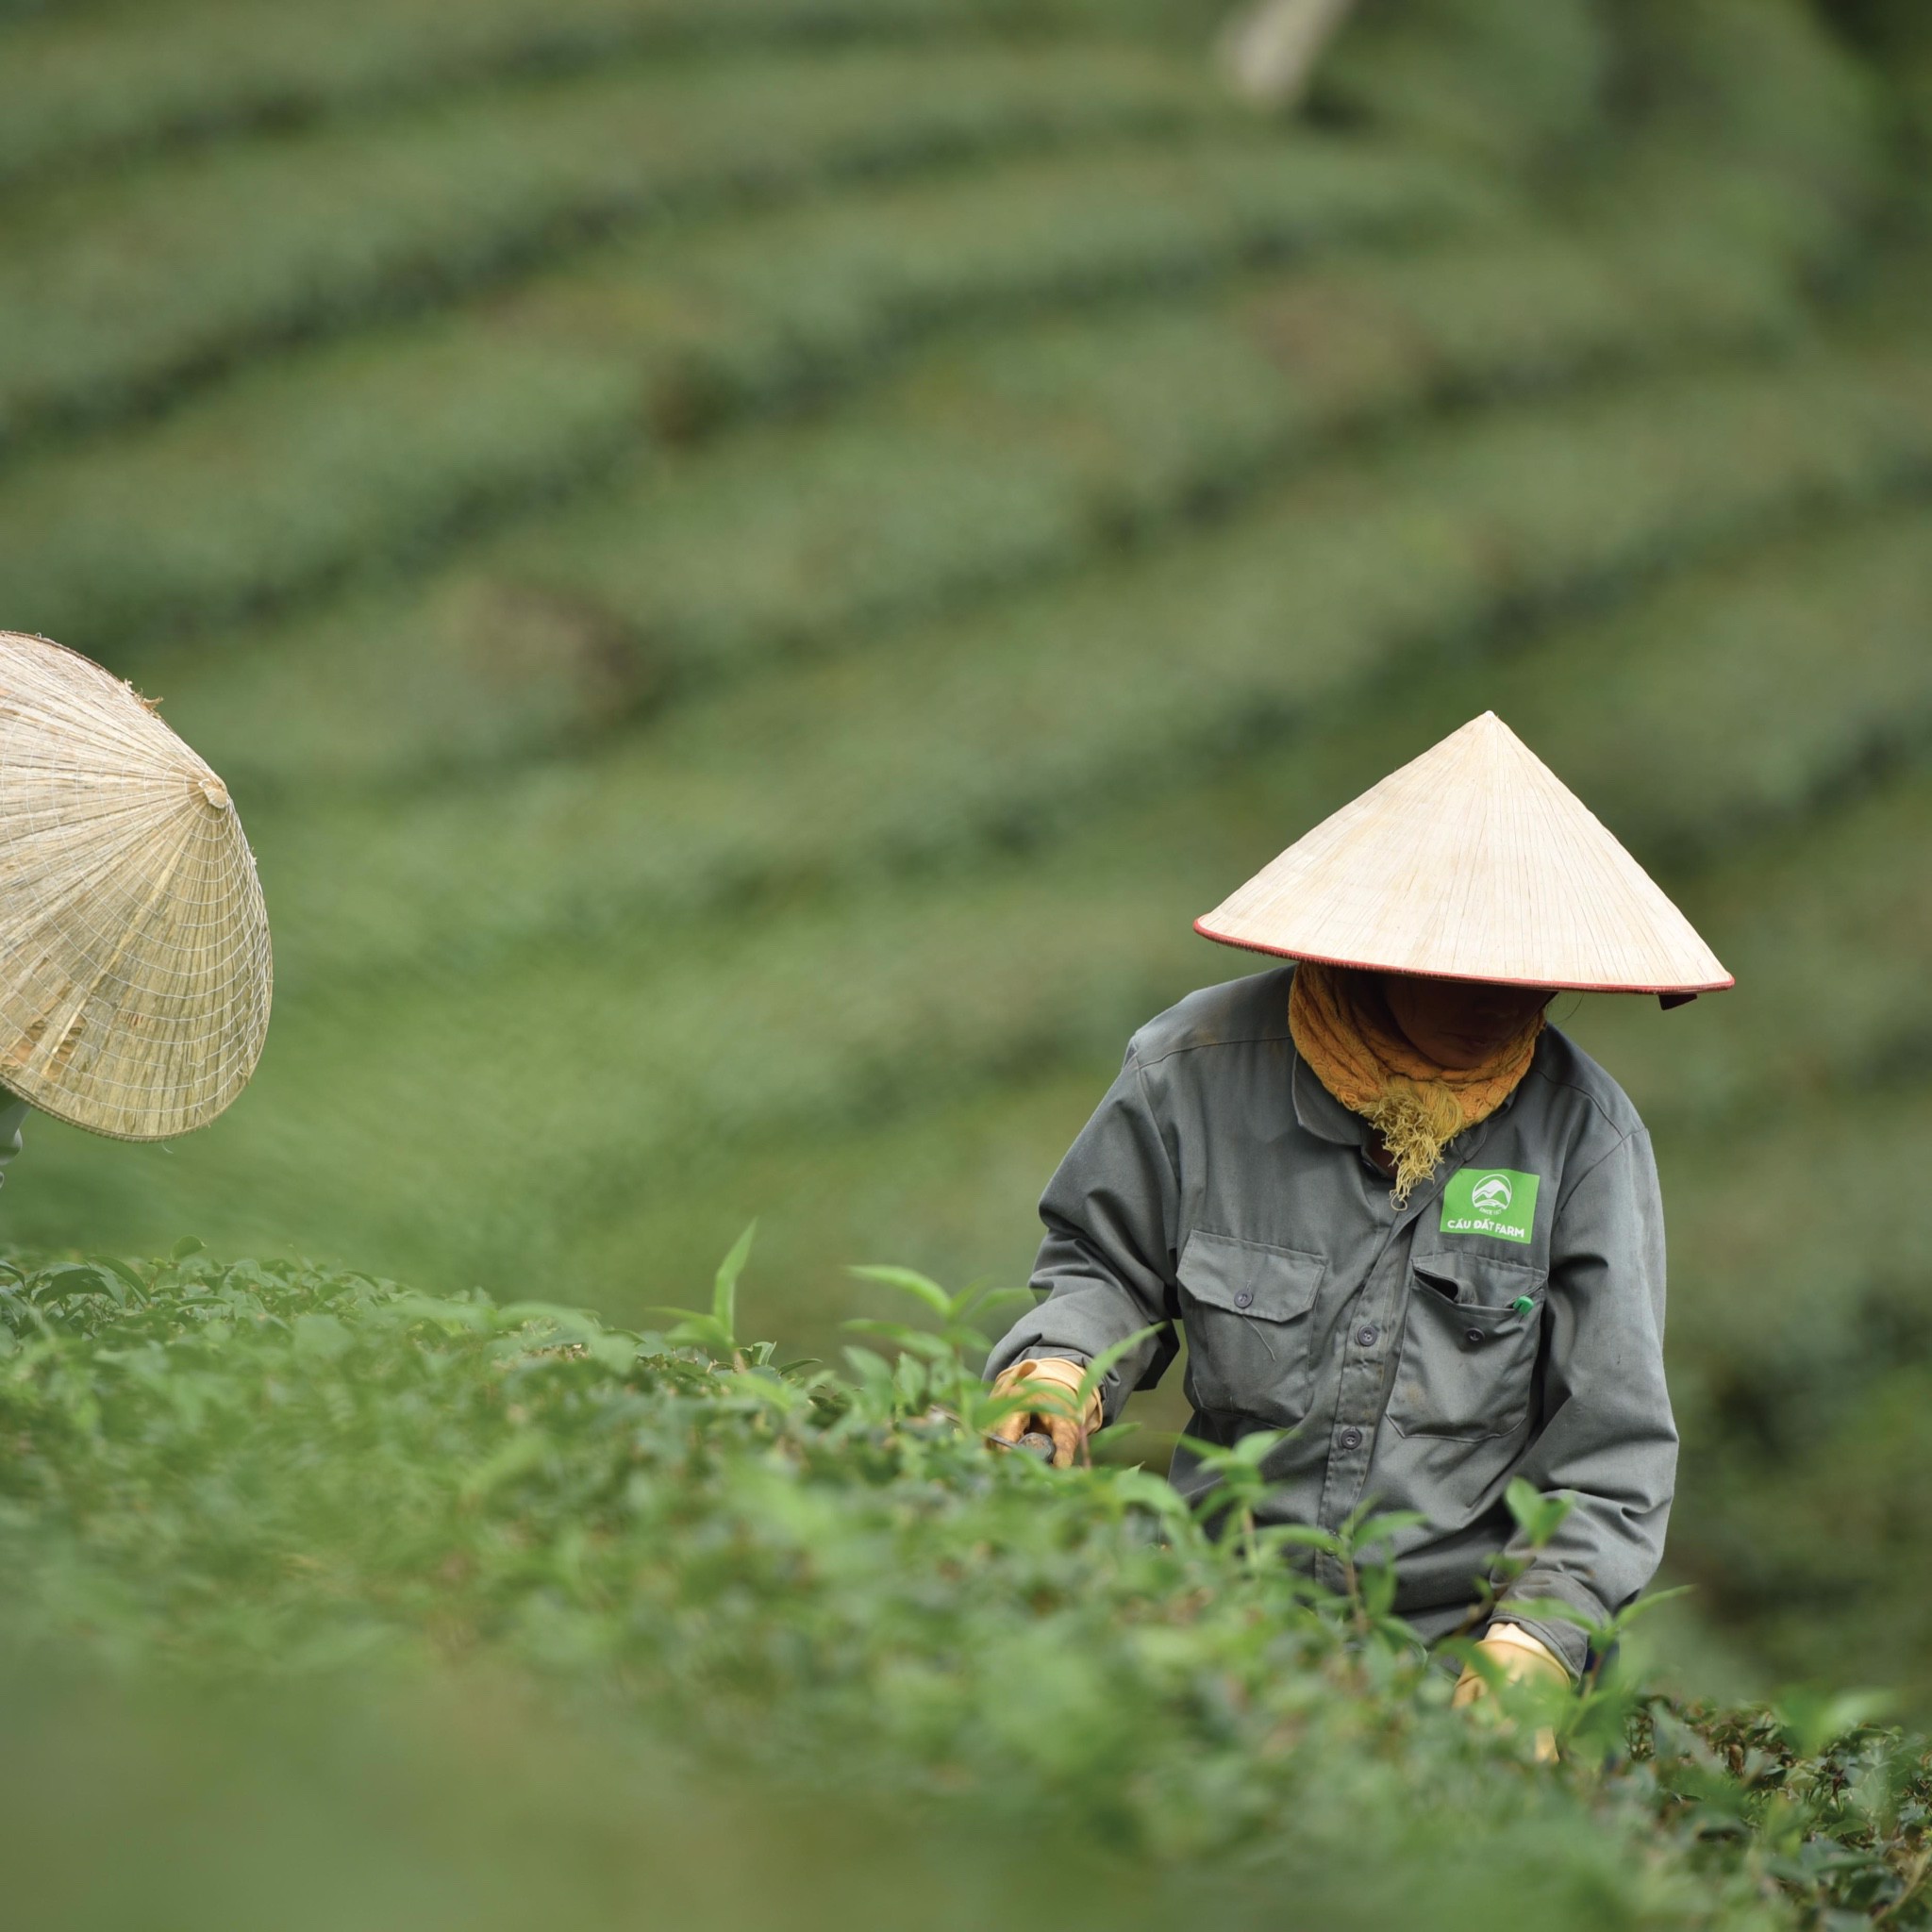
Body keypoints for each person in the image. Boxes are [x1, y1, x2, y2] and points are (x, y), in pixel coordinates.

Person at [986, 712, 1730, 1700]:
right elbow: (1104, 1267)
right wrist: (1056, 1366)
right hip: (1215, 1616)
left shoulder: (1582, 1139)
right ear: (1379, 946)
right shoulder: (1193, 1069)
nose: (1501, 998)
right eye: (1467, 968)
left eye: (1530, 976)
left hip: (1447, 1654)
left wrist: (1536, 1641)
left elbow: (1609, 1449)